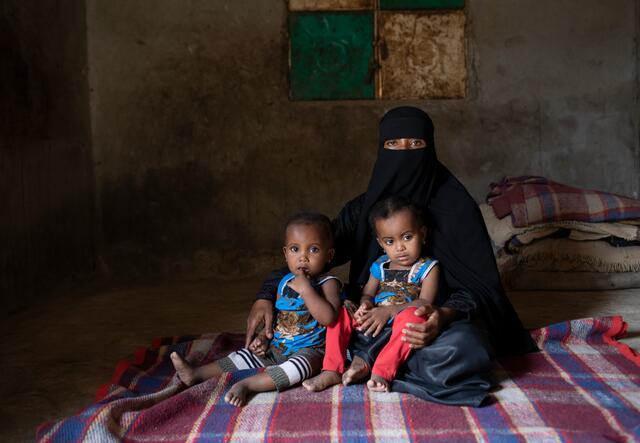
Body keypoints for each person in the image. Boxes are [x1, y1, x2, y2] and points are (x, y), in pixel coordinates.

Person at [246, 106, 538, 406]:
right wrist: (266, 293)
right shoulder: (365, 210)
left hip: (428, 322)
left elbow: (481, 288)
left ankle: (368, 362)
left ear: (430, 146)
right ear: (381, 149)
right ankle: (361, 361)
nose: (404, 152)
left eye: (415, 144)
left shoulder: (457, 208)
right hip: (368, 318)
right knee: (331, 319)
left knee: (464, 348)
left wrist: (441, 316)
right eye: (393, 145)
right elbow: (316, 254)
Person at [171, 212, 342, 407]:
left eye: (313, 249)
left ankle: (249, 385)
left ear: (329, 255)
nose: (303, 257)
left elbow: (329, 318)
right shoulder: (285, 282)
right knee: (244, 356)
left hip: (310, 350)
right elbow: (279, 317)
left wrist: (307, 290)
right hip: (278, 347)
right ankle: (196, 374)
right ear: (285, 253)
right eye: (295, 249)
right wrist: (263, 336)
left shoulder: (329, 284)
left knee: (299, 368)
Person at [304, 196, 440, 393]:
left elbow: (425, 301)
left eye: (407, 237)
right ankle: (332, 368)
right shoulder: (380, 265)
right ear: (381, 243)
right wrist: (365, 306)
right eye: (390, 241)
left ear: (423, 234)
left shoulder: (428, 268)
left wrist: (391, 311)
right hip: (374, 317)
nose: (399, 247)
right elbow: (367, 293)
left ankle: (383, 370)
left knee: (416, 317)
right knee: (341, 313)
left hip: (400, 317)